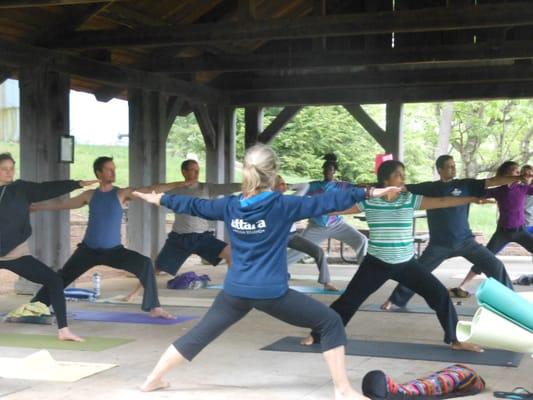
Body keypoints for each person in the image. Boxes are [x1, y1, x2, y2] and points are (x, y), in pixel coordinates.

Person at [134, 144, 400, 399]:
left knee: (198, 335)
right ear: (272, 173)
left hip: (235, 291)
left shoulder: (231, 205)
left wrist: (158, 198)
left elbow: (194, 205)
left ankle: (152, 380)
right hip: (272, 293)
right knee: (330, 322)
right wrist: (368, 192)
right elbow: (326, 202)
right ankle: (342, 391)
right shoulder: (282, 205)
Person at [301, 160, 483, 352]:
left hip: (406, 264)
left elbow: (443, 202)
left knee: (439, 295)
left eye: (404, 175)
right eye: (399, 175)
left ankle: (455, 340)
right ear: (385, 179)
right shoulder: (368, 201)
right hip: (376, 263)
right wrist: (302, 208)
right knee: (349, 301)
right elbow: (336, 208)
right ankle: (318, 335)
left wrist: (471, 199)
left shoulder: (410, 199)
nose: (403, 179)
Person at [31, 156, 179, 318]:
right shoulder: (89, 195)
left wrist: (180, 183)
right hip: (87, 251)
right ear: (98, 173)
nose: (113, 172)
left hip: (114, 252)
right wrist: (37, 207)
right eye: (109, 169)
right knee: (60, 278)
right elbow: (63, 204)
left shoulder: (122, 193)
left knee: (145, 264)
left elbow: (153, 188)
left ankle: (154, 308)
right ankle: (36, 306)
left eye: (114, 169)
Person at [380, 155, 519, 309]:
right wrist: (371, 188)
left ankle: (512, 301)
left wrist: (518, 177)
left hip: (466, 242)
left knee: (496, 266)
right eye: (449, 166)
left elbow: (493, 181)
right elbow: (401, 188)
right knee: (417, 271)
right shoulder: (429, 187)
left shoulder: (466, 184)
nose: (453, 168)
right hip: (439, 245)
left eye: (454, 165)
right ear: (440, 170)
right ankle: (394, 300)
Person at [0, 152, 95, 341]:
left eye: (12, 168)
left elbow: (46, 189)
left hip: (15, 255)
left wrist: (76, 184)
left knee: (54, 280)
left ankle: (64, 331)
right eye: (4, 169)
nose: (9, 173)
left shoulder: (21, 189)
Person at [123, 159, 240, 301]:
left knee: (232, 255)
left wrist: (253, 184)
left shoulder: (206, 188)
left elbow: (229, 187)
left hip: (203, 237)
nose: (196, 173)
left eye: (198, 170)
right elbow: (154, 189)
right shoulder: (175, 189)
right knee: (156, 268)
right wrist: (178, 184)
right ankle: (134, 293)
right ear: (184, 171)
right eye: (192, 170)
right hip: (180, 239)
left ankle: (233, 292)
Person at [455, 161, 533, 289]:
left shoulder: (522, 188)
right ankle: (463, 285)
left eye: (520, 172)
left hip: (521, 231)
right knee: (485, 257)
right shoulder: (498, 190)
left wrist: (529, 177)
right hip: (503, 233)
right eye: (516, 171)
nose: (520, 174)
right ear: (506, 174)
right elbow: (479, 193)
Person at [286, 153, 368, 270]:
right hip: (316, 227)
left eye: (330, 170)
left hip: (337, 225)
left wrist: (365, 187)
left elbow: (358, 190)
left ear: (335, 172)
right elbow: (298, 187)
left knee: (362, 240)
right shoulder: (315, 185)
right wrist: (285, 186)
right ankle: (278, 270)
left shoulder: (343, 186)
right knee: (298, 250)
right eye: (325, 169)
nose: (327, 172)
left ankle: (364, 269)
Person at [275, 174, 339, 290]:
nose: (285, 185)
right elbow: (304, 187)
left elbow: (305, 185)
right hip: (276, 237)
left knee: (318, 251)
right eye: (282, 184)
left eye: (285, 183)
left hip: (291, 236)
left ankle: (326, 282)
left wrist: (289, 187)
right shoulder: (272, 201)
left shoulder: (292, 198)